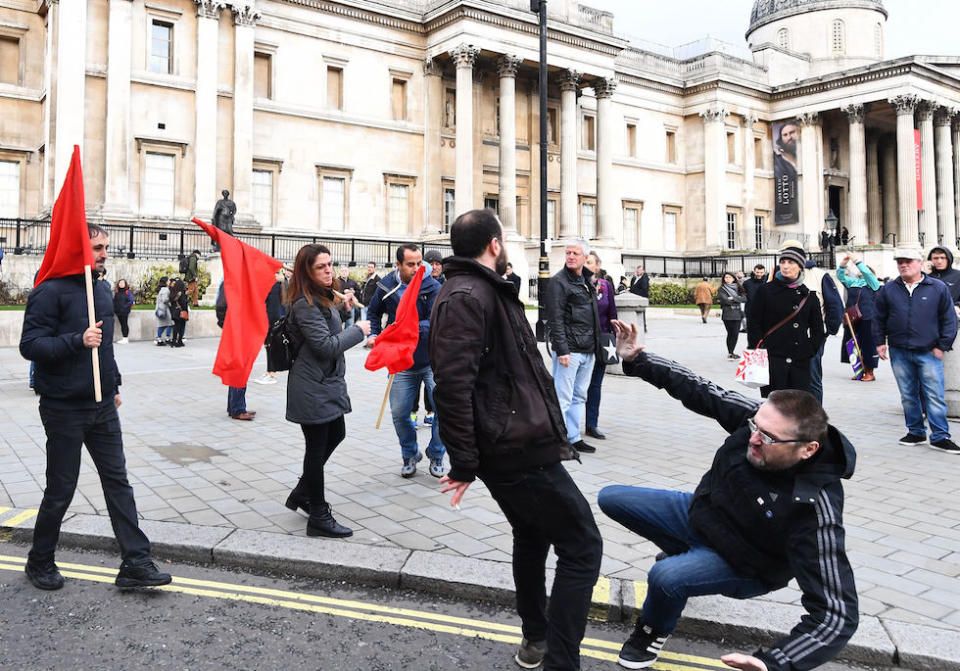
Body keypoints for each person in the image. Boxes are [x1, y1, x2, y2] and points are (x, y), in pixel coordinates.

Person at [599, 321, 858, 671]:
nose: (753, 438)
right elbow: (700, 389)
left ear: (808, 449)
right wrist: (639, 360)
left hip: (745, 563)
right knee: (612, 497)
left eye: (768, 438)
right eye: (755, 427)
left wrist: (774, 663)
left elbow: (836, 613)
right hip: (702, 515)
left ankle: (650, 633)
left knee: (666, 578)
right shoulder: (756, 422)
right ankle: (684, 557)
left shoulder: (814, 505)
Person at [429, 209, 602, 671]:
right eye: (502, 240)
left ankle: (537, 640)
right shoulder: (466, 295)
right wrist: (464, 461)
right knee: (583, 545)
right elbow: (451, 384)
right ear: (494, 244)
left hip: (518, 436)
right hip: (513, 446)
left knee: (532, 533)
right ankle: (559, 660)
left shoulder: (485, 287)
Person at [19, 224, 172, 591]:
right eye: (98, 247)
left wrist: (113, 384)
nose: (105, 253)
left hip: (102, 405)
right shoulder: (48, 290)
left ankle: (135, 562)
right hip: (63, 407)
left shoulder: (100, 289)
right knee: (61, 488)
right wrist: (76, 340)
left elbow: (105, 347)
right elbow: (30, 345)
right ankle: (39, 560)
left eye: (106, 246)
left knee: (118, 483)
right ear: (77, 249)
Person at [283, 244, 370, 537]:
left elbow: (329, 332)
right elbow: (326, 346)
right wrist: (359, 330)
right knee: (316, 448)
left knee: (337, 434)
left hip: (325, 382)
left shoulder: (320, 299)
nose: (328, 270)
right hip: (311, 386)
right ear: (307, 271)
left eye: (330, 264)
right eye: (320, 266)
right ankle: (318, 514)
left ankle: (302, 493)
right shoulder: (304, 304)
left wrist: (343, 312)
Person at [365, 243, 446, 477]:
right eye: (410, 264)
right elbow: (372, 313)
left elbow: (435, 321)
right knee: (400, 412)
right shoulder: (387, 286)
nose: (417, 268)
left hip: (432, 360)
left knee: (444, 409)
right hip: (402, 362)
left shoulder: (432, 286)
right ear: (398, 264)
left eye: (419, 263)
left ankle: (437, 453)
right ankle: (410, 453)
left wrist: (405, 328)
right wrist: (373, 334)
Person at [875, 248, 959, 453]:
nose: (903, 265)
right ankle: (916, 432)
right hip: (899, 351)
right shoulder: (889, 289)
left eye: (908, 261)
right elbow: (878, 318)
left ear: (920, 263)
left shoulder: (937, 288)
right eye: (900, 262)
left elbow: (949, 320)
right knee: (908, 394)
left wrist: (943, 346)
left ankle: (940, 436)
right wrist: (879, 342)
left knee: (935, 395)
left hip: (929, 351)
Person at [746, 244, 825, 398]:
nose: (785, 266)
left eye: (791, 262)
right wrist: (759, 347)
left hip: (799, 360)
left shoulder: (809, 296)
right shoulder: (766, 290)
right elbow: (753, 321)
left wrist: (809, 350)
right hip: (773, 357)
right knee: (776, 404)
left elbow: (818, 330)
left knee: (797, 406)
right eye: (783, 262)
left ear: (800, 267)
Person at [546, 238, 600, 455]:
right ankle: (556, 441)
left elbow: (592, 315)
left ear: (584, 258)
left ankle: (573, 437)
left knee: (579, 396)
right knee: (562, 398)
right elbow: (555, 318)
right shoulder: (559, 282)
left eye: (575, 253)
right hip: (570, 351)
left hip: (588, 349)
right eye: (568, 253)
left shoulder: (587, 281)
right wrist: (562, 350)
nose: (570, 256)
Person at [585, 251, 618, 440]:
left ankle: (592, 424)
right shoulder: (580, 284)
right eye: (585, 262)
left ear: (598, 265)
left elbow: (612, 312)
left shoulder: (606, 286)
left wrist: (616, 336)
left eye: (590, 262)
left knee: (595, 385)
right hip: (583, 341)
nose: (587, 265)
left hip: (603, 340)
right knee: (579, 386)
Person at [802, 257, 844, 403]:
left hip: (812, 335)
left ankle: (815, 417)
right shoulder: (778, 275)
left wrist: (828, 329)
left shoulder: (819, 275)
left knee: (812, 377)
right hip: (785, 336)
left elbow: (835, 304)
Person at [215, 281, 255, 421]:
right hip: (237, 330)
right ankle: (238, 409)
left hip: (240, 328)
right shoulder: (232, 282)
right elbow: (221, 306)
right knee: (240, 368)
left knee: (239, 368)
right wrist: (231, 326)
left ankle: (233, 407)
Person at [837, 254, 881, 382]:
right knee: (853, 345)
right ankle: (859, 370)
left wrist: (857, 261)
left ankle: (870, 372)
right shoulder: (853, 282)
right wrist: (843, 264)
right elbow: (840, 276)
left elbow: (867, 273)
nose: (860, 272)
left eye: (862, 270)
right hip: (852, 318)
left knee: (868, 345)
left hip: (868, 317)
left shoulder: (873, 283)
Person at [254, 271, 284, 385]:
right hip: (269, 319)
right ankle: (269, 372)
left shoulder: (273, 285)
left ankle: (272, 374)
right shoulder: (273, 284)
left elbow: (271, 306)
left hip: (270, 320)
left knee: (270, 347)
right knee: (268, 346)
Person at [717, 272, 746, 359]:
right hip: (727, 314)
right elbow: (725, 300)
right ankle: (730, 352)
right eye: (726, 277)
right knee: (730, 333)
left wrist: (733, 298)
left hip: (738, 314)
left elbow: (744, 299)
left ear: (733, 278)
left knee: (735, 334)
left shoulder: (739, 288)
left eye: (729, 277)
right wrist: (737, 299)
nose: (727, 279)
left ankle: (731, 351)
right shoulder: (722, 289)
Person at [927, 246, 960, 315]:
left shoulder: (957, 275)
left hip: (951, 315)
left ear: (948, 259)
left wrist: (958, 306)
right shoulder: (925, 276)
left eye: (942, 258)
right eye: (936, 258)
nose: (939, 261)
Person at [741, 264, 767, 332]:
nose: (759, 274)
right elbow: (742, 294)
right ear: (754, 271)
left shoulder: (767, 282)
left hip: (764, 309)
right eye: (757, 272)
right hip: (750, 309)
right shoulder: (747, 283)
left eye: (761, 272)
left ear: (764, 272)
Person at [112, 278, 134, 344]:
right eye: (120, 283)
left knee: (124, 324)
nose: (121, 284)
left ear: (125, 284)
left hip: (124, 311)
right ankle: (124, 338)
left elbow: (131, 301)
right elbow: (114, 301)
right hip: (118, 311)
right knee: (122, 324)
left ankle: (125, 338)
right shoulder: (117, 292)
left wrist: (124, 307)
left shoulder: (128, 292)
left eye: (122, 283)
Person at [169, 278, 189, 348]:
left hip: (175, 312)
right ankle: (179, 341)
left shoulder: (173, 293)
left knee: (175, 327)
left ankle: (173, 341)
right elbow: (184, 303)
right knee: (181, 327)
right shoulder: (182, 293)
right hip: (181, 312)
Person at [154, 275, 173, 345]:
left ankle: (160, 338)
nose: (169, 282)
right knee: (168, 324)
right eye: (168, 281)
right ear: (165, 282)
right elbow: (165, 299)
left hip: (160, 309)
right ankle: (161, 338)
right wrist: (171, 300)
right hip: (164, 309)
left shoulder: (162, 289)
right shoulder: (166, 290)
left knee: (164, 324)